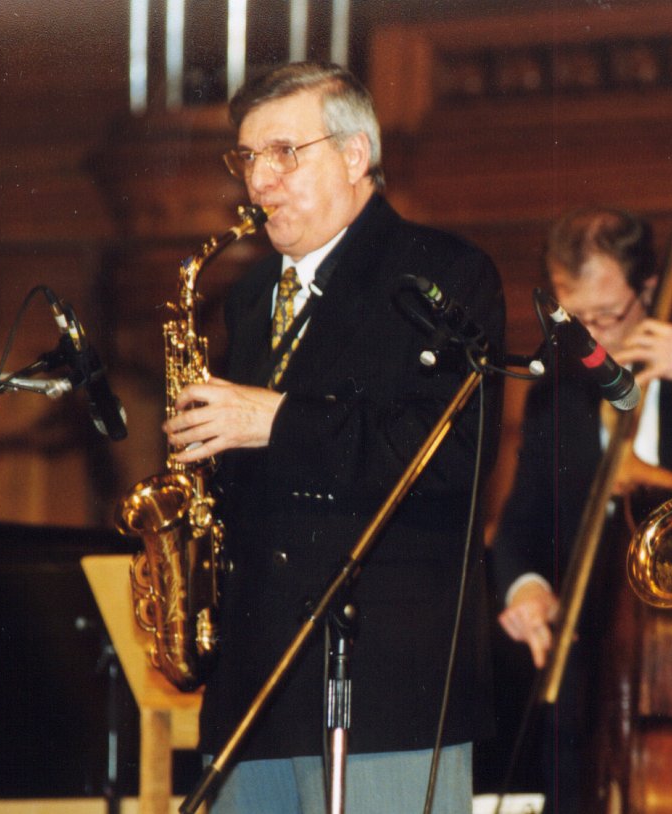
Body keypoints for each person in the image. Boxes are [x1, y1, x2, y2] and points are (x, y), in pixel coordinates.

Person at [163, 62, 504, 814]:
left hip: (385, 689)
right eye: (248, 158)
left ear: (355, 156)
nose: (260, 182)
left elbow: (446, 454)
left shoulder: (443, 271)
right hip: (255, 685)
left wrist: (272, 420)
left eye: (285, 152)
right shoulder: (250, 296)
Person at [491, 206, 672, 813]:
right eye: (576, 321)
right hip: (591, 680)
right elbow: (521, 523)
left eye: (608, 315)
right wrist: (524, 588)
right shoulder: (558, 391)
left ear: (649, 290)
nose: (591, 338)